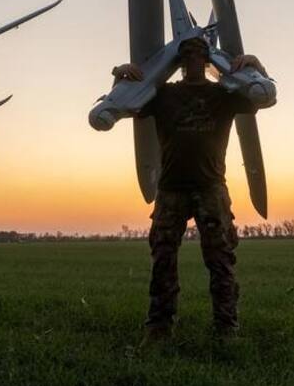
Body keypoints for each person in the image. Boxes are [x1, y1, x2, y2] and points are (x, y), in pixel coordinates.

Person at [111, 37, 274, 340]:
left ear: (208, 59)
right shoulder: (162, 95)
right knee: (162, 259)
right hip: (171, 189)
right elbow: (124, 105)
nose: (194, 62)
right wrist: (121, 76)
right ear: (180, 62)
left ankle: (226, 329)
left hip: (210, 188)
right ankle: (159, 328)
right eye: (187, 57)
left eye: (199, 56)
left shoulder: (224, 95)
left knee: (220, 260)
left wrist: (256, 66)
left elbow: (266, 97)